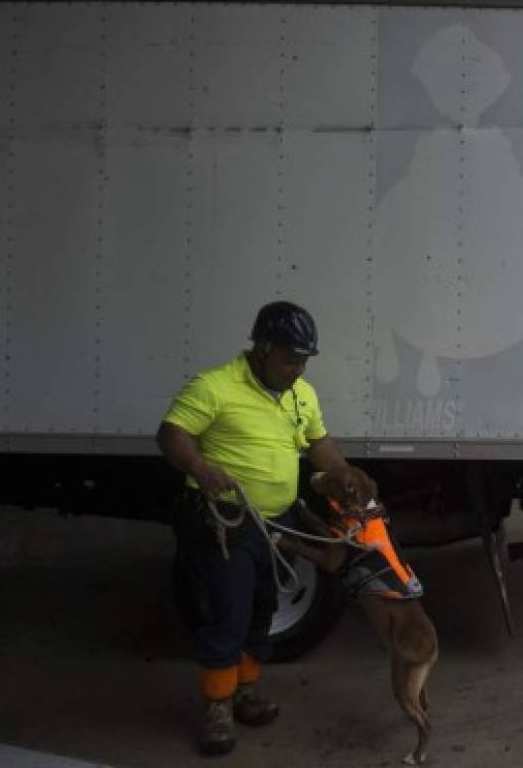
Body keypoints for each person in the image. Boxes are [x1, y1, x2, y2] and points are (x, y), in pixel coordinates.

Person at [157, 301, 377, 756]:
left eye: (304, 360)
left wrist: (341, 471)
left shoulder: (301, 394)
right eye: (290, 358)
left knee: (261, 612)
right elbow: (172, 433)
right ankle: (217, 707)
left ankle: (245, 692)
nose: (298, 369)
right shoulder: (215, 386)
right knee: (230, 613)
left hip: (277, 524)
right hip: (228, 523)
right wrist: (199, 466)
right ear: (262, 348)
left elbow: (318, 443)